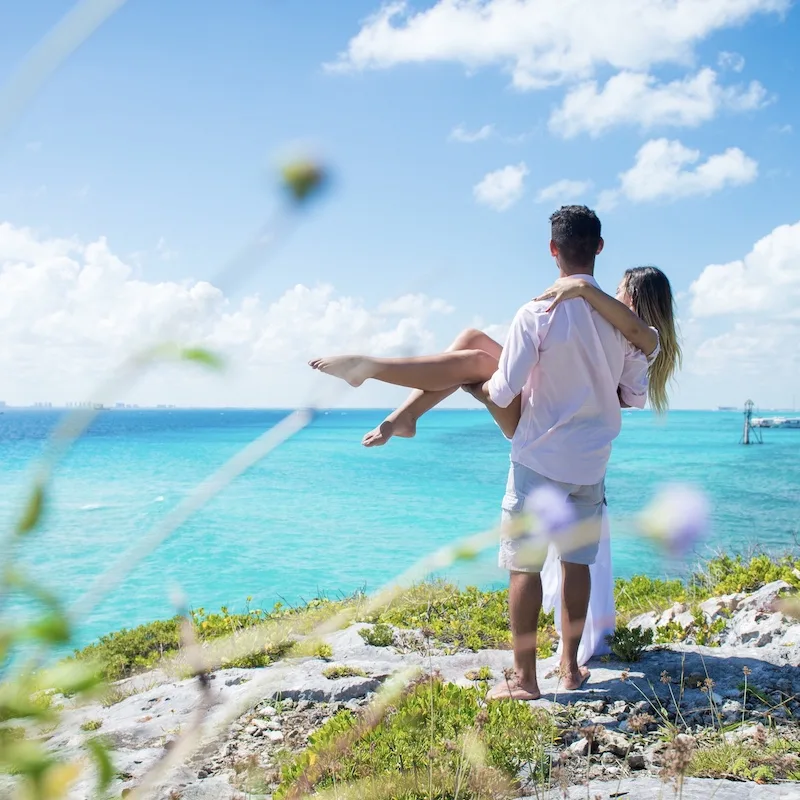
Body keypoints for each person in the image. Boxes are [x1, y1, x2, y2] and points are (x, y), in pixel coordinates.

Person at [309, 206, 680, 699]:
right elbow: (632, 395)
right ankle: (570, 669)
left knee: (523, 564)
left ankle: (525, 680)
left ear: (552, 250)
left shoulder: (537, 313)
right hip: (590, 462)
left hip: (539, 453)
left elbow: (504, 392)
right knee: (576, 565)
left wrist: (490, 383)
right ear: (599, 247)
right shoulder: (630, 332)